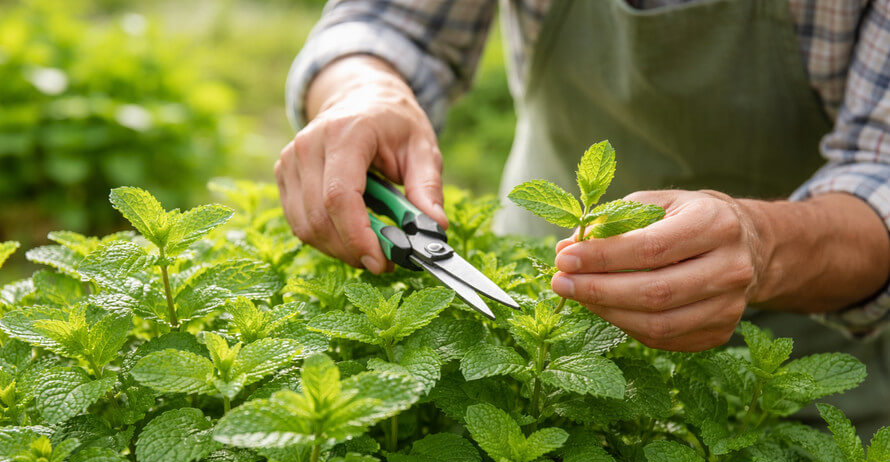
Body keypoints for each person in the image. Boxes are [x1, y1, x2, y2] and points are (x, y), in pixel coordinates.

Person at [275, 0, 890, 435]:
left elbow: (880, 172)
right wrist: (362, 92)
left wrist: (764, 246)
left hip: (806, 364)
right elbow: (390, 20)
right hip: (547, 302)